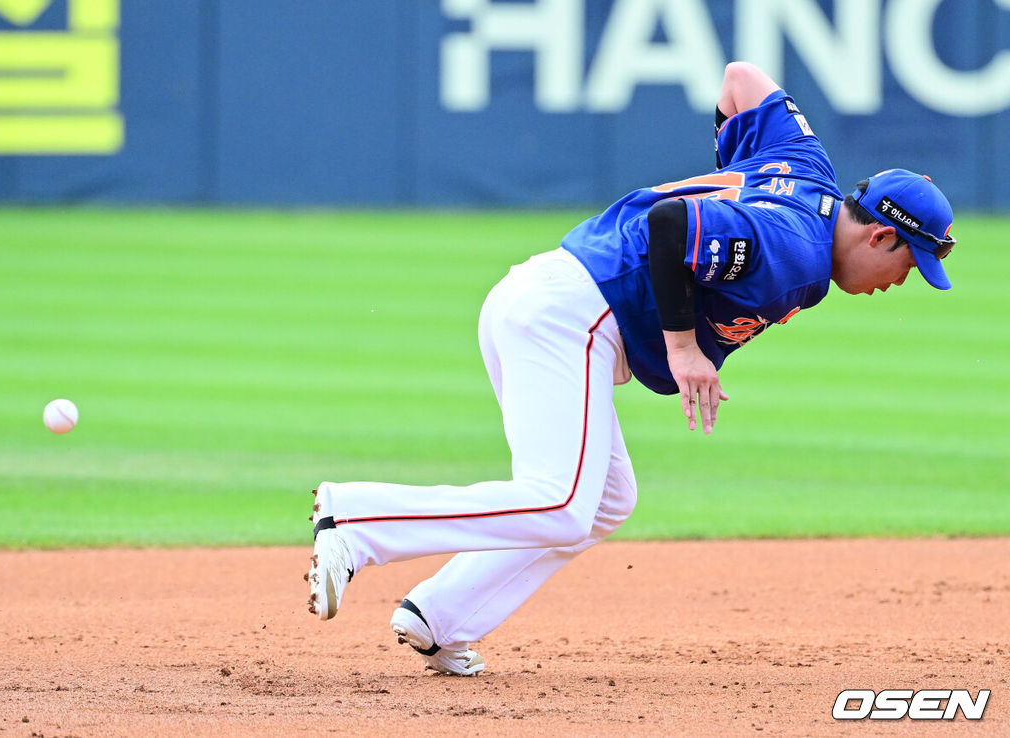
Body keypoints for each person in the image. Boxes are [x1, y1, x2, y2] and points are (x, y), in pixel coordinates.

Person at [304, 62, 956, 676]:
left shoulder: (807, 169)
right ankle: (357, 523)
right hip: (574, 315)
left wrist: (741, 188)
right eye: (909, 268)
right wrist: (682, 346)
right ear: (881, 237)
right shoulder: (792, 249)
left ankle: (440, 618)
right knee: (558, 501)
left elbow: (740, 81)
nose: (899, 283)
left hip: (552, 300)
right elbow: (674, 224)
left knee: (607, 499)